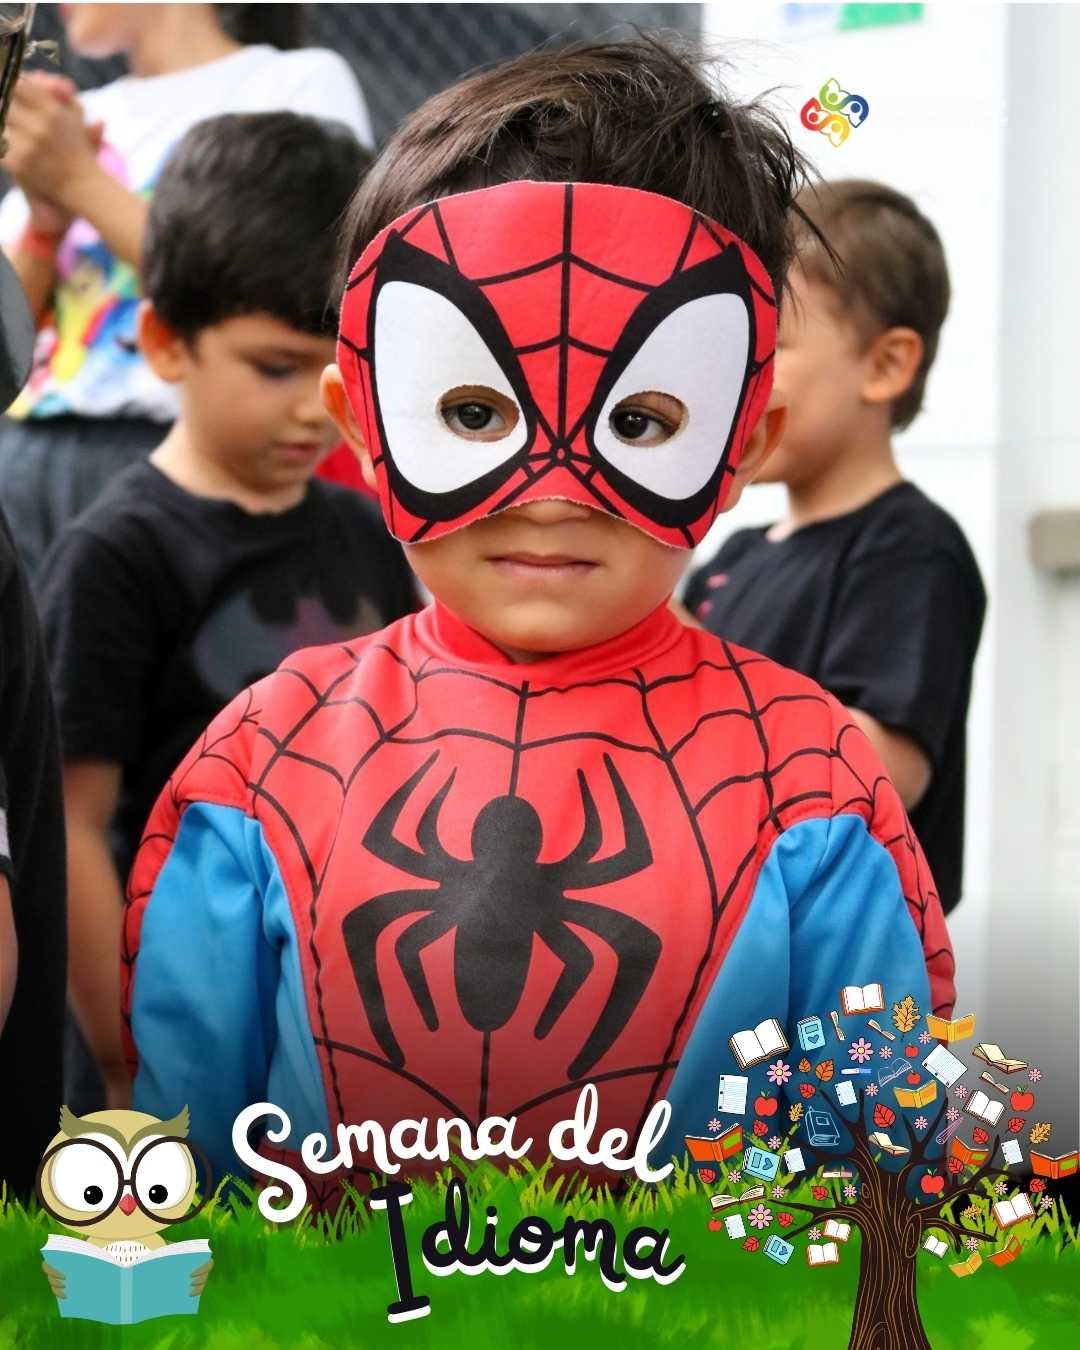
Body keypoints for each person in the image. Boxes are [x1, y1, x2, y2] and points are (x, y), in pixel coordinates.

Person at [121, 40, 955, 1191]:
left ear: (743, 442)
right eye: (473, 412)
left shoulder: (813, 784)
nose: (553, 491)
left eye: (641, 423)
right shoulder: (259, 765)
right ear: (365, 424)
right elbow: (185, 1156)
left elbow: (875, 1166)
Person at [38, 111, 418, 1117]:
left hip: (343, 1017)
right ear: (166, 342)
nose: (311, 406)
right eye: (275, 367)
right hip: (177, 1026)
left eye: (339, 369)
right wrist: (122, 1043)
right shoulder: (117, 558)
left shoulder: (370, 532)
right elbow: (73, 826)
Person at [686, 180, 986, 916]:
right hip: (739, 937)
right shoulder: (734, 558)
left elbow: (886, 769)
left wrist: (673, 642)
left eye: (770, 346)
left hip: (846, 954)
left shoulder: (911, 548)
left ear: (884, 366)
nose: (737, 377)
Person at [0, 2, 373, 577]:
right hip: (26, 452)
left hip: (178, 453)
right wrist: (46, 227)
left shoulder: (291, 83)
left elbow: (274, 284)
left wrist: (78, 181)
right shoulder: (79, 118)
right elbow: (10, 337)